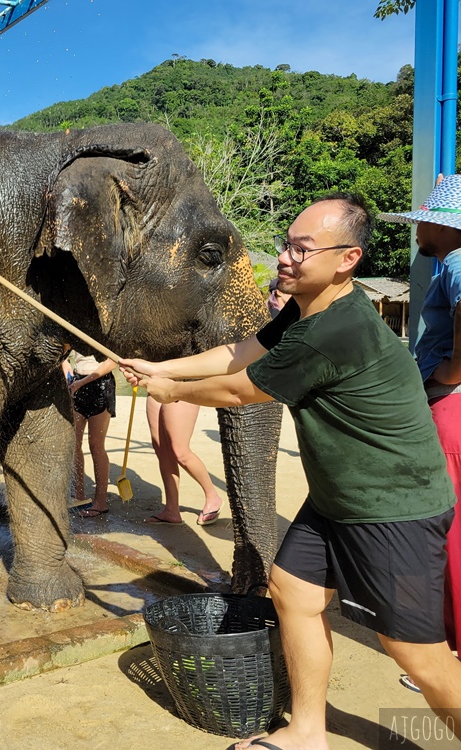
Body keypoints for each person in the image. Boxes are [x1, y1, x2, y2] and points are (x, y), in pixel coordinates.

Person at [120, 193, 461, 750]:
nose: (285, 257)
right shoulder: (307, 315)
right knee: (294, 592)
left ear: (346, 259)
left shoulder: (338, 330)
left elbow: (239, 389)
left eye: (302, 249)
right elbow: (240, 352)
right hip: (336, 497)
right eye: (287, 244)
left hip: (392, 505)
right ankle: (307, 732)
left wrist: (171, 390)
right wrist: (159, 367)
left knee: (417, 655)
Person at [379, 174, 461, 691]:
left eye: (422, 220)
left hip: (451, 409)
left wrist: (440, 378)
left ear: (441, 224)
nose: (416, 231)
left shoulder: (456, 264)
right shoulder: (448, 266)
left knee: (448, 534)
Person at [144, 399, 224, 526]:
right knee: (162, 450)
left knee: (179, 451)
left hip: (180, 385)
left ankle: (213, 497)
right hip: (155, 385)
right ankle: (172, 510)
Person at [64, 350, 117, 516]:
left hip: (101, 384)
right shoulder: (76, 329)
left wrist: (84, 381)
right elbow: (62, 358)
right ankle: (80, 495)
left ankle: (100, 502)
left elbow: (113, 361)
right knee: (74, 443)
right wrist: (69, 376)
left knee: (95, 444)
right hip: (77, 383)